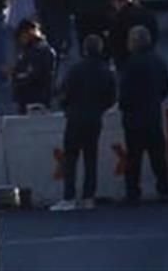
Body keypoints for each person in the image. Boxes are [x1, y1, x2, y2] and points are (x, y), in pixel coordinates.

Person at [51, 34, 117, 212]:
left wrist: (66, 106)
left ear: (84, 49)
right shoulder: (106, 71)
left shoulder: (76, 69)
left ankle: (69, 197)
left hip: (75, 116)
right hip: (94, 117)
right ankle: (89, 197)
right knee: (91, 158)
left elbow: (64, 92)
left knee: (71, 157)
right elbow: (111, 97)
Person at [118, 26, 168, 204]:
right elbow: (166, 88)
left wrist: (125, 106)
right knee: (158, 156)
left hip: (134, 116)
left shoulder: (131, 63)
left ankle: (133, 192)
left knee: (133, 158)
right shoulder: (158, 60)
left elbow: (125, 93)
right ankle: (164, 188)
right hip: (153, 113)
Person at [108, 0, 158, 71]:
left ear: (117, 1)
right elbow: (155, 32)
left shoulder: (119, 18)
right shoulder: (147, 13)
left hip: (126, 60)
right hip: (148, 56)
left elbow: (115, 41)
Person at [12, 19, 56, 114]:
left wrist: (17, 75)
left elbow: (34, 74)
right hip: (30, 97)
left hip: (35, 99)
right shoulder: (30, 50)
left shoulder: (39, 51)